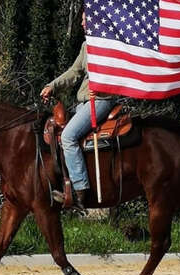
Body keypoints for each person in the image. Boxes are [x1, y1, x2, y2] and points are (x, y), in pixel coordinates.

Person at [40, 12, 115, 209]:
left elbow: (118, 72)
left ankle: (79, 190)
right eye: (82, 19)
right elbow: (75, 72)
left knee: (68, 136)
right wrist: (53, 86)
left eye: (85, 19)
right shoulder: (86, 46)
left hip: (100, 101)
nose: (82, 23)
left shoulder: (109, 45)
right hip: (83, 102)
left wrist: (100, 85)